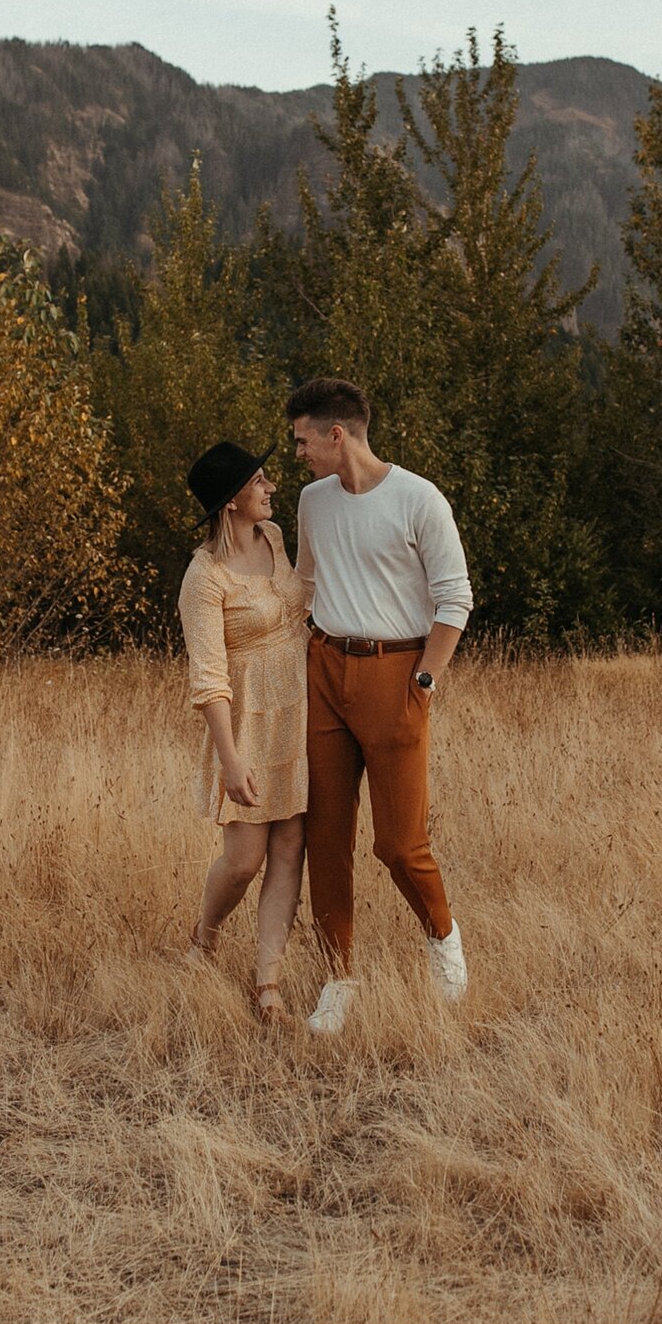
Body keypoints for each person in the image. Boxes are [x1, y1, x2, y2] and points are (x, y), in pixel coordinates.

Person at [288, 377, 472, 1037]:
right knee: (326, 837)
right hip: (323, 671)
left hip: (396, 674)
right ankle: (339, 979)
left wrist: (423, 681)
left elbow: (455, 600)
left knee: (399, 844)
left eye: (303, 440)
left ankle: (444, 945)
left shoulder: (418, 499)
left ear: (337, 435)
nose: (299, 453)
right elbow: (303, 583)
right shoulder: (313, 502)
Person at [177, 441, 312, 1024]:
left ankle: (269, 987)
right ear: (232, 500)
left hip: (300, 705)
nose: (270, 488)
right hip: (248, 721)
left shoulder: (275, 537)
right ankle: (202, 942)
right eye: (259, 481)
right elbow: (208, 676)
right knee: (244, 857)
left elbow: (300, 601)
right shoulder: (204, 576)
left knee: (289, 847)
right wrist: (231, 761)